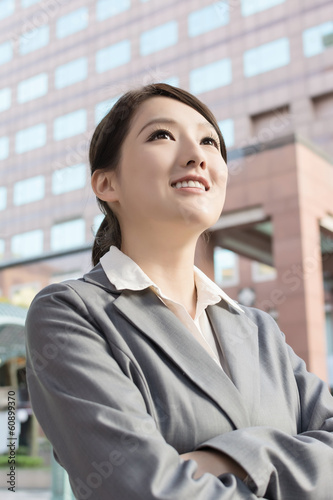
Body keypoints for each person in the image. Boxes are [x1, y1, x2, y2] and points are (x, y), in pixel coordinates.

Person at [25, 83, 333, 500]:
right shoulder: (70, 312)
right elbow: (142, 490)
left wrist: (232, 458)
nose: (197, 155)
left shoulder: (259, 329)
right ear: (106, 183)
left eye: (209, 141)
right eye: (162, 135)